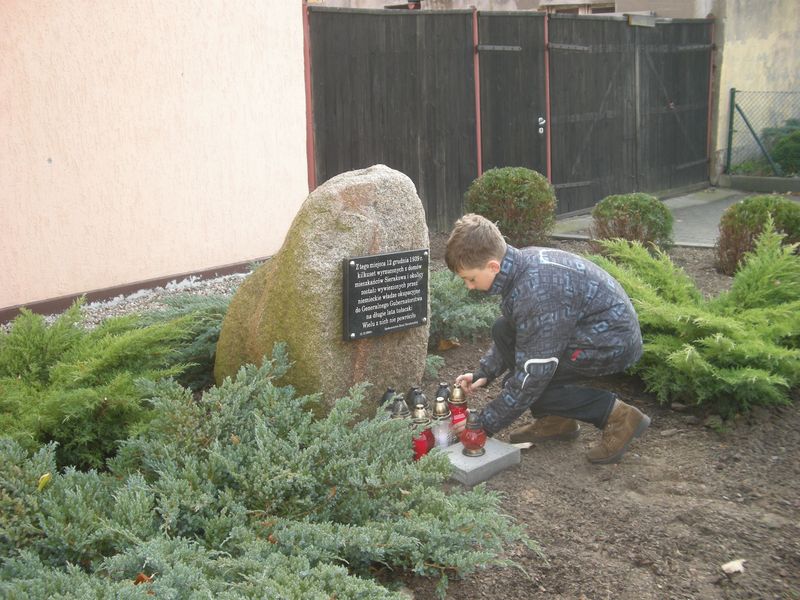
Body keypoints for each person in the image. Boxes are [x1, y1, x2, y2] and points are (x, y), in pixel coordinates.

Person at [446, 213, 650, 464]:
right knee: (503, 329)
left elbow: (532, 378)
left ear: (493, 267)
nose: (469, 286)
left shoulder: (536, 293)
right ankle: (558, 420)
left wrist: (482, 424)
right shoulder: (520, 265)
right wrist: (485, 372)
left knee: (533, 384)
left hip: (611, 342)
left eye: (470, 278)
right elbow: (517, 328)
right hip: (587, 329)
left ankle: (619, 416)